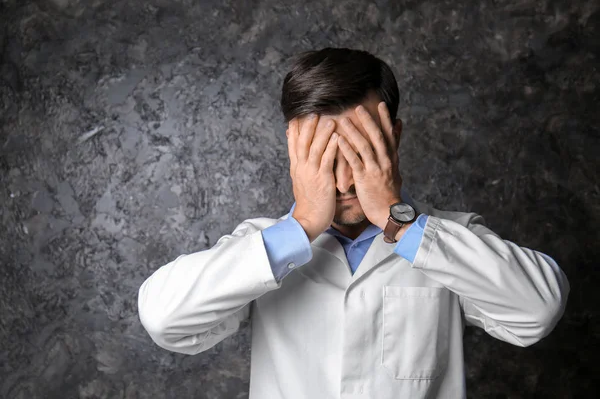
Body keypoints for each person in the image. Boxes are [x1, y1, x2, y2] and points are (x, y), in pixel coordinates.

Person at [137, 47, 570, 399]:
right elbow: (164, 319)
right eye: (326, 157)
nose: (344, 180)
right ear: (295, 153)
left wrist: (400, 224)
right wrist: (302, 225)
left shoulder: (450, 240)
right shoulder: (258, 249)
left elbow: (538, 309)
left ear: (394, 140)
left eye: (361, 153)